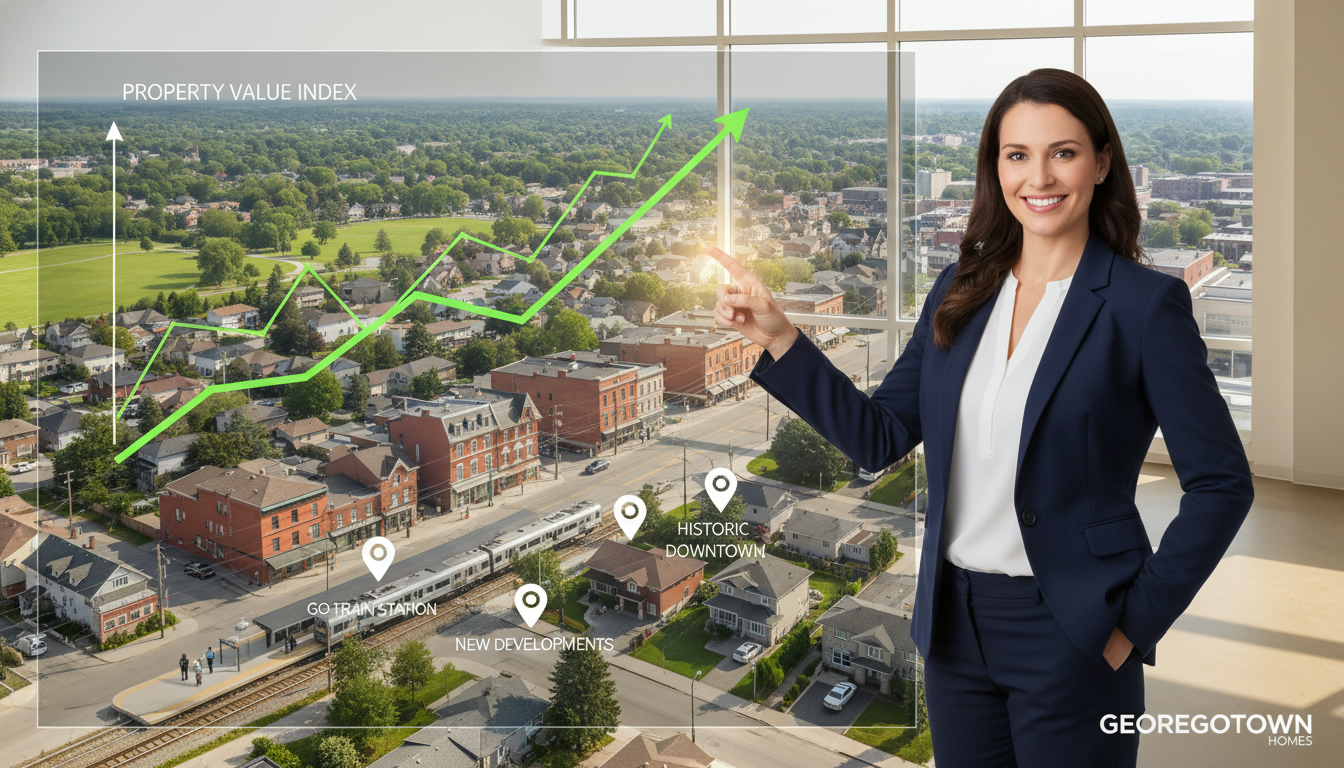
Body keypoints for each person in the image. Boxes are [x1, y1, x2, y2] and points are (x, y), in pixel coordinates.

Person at [707, 67, 1254, 768]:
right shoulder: (963, 288)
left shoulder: (1143, 307)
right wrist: (780, 336)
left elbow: (1221, 485)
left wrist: (1131, 627)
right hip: (954, 632)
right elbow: (880, 437)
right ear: (996, 168)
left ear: (1102, 162)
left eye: (1063, 151)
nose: (1039, 176)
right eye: (1016, 154)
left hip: (1076, 630)